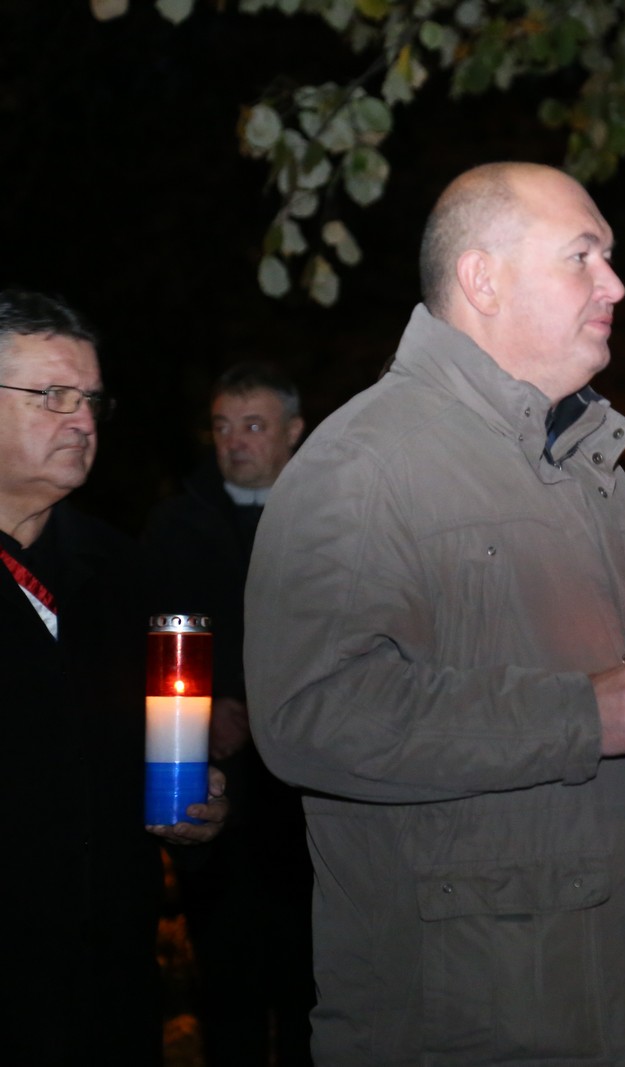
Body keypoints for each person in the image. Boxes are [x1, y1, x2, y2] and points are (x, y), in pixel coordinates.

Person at [243, 162, 625, 1067]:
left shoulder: (595, 470)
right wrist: (581, 714)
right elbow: (309, 716)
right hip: (479, 1023)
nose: (615, 285)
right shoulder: (362, 465)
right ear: (483, 279)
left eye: (611, 258)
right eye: (583, 256)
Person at [0, 288, 228, 1066]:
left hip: (110, 994)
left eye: (92, 398)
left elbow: (152, 752)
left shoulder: (124, 571)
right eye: (53, 395)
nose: (84, 421)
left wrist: (198, 809)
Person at [145, 362, 313, 1066]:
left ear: (294, 434)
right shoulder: (175, 525)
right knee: (229, 990)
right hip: (215, 796)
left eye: (254, 425)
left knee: (316, 989)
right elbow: (149, 638)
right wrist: (202, 712)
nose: (236, 441)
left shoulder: (328, 520)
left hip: (310, 799)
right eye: (223, 425)